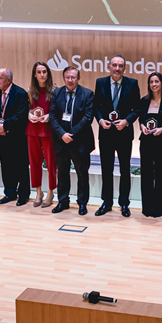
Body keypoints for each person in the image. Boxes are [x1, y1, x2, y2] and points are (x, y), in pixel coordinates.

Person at [93, 55, 141, 217]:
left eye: (120, 66)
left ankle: (124, 203)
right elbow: (96, 107)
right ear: (109, 67)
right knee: (106, 169)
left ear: (124, 68)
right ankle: (106, 202)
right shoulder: (100, 83)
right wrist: (100, 120)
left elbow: (137, 109)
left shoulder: (132, 84)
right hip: (106, 133)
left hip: (124, 134)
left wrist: (126, 121)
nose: (117, 68)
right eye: (114, 65)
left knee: (124, 170)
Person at [49, 65, 95, 216]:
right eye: (67, 77)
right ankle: (63, 201)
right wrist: (62, 134)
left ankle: (82, 203)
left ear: (78, 78)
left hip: (80, 142)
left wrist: (70, 134)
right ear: (64, 78)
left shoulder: (87, 94)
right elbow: (53, 116)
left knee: (82, 174)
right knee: (62, 173)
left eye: (73, 77)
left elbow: (87, 118)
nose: (70, 80)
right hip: (61, 141)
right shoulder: (57, 93)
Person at [0, 68, 31, 206]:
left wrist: (4, 126)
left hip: (17, 137)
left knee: (21, 166)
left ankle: (23, 195)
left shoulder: (20, 93)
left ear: (9, 80)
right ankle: (10, 192)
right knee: (6, 166)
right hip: (1, 136)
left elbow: (20, 116)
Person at [138, 72, 162, 218]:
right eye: (151, 82)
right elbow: (140, 119)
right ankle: (147, 207)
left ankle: (158, 208)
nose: (154, 84)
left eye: (157, 81)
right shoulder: (144, 101)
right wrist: (142, 126)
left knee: (161, 175)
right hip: (146, 142)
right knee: (146, 175)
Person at [27, 62, 58, 208]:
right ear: (35, 74)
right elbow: (26, 108)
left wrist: (50, 117)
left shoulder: (55, 90)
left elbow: (58, 110)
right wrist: (28, 115)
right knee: (34, 162)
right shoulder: (30, 90)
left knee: (51, 163)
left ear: (48, 73)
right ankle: (38, 192)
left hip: (48, 130)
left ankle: (51, 192)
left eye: (44, 72)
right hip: (33, 128)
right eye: (39, 72)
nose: (42, 75)